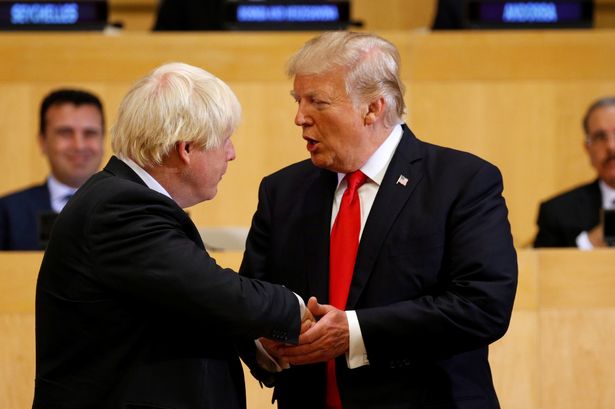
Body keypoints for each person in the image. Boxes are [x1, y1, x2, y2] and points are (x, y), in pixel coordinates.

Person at [239, 32, 518, 409]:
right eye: (298, 101)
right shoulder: (282, 191)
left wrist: (355, 332)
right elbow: (253, 300)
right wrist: (265, 344)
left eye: (316, 102)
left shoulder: (462, 182)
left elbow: (482, 306)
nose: (299, 118)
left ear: (372, 108)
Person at [33, 62, 311, 409]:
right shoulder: (121, 207)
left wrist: (258, 343)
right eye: (225, 140)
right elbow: (214, 292)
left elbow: (187, 304)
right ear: (187, 148)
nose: (232, 153)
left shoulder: (123, 198)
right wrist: (299, 309)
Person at [0, 88, 105, 250]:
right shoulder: (8, 212)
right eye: (65, 133)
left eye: (90, 133)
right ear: (42, 141)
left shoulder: (130, 210)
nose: (79, 145)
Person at [534, 96, 615, 248]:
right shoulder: (557, 212)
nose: (611, 146)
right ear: (587, 148)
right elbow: (544, 268)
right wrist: (588, 243)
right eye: (600, 137)